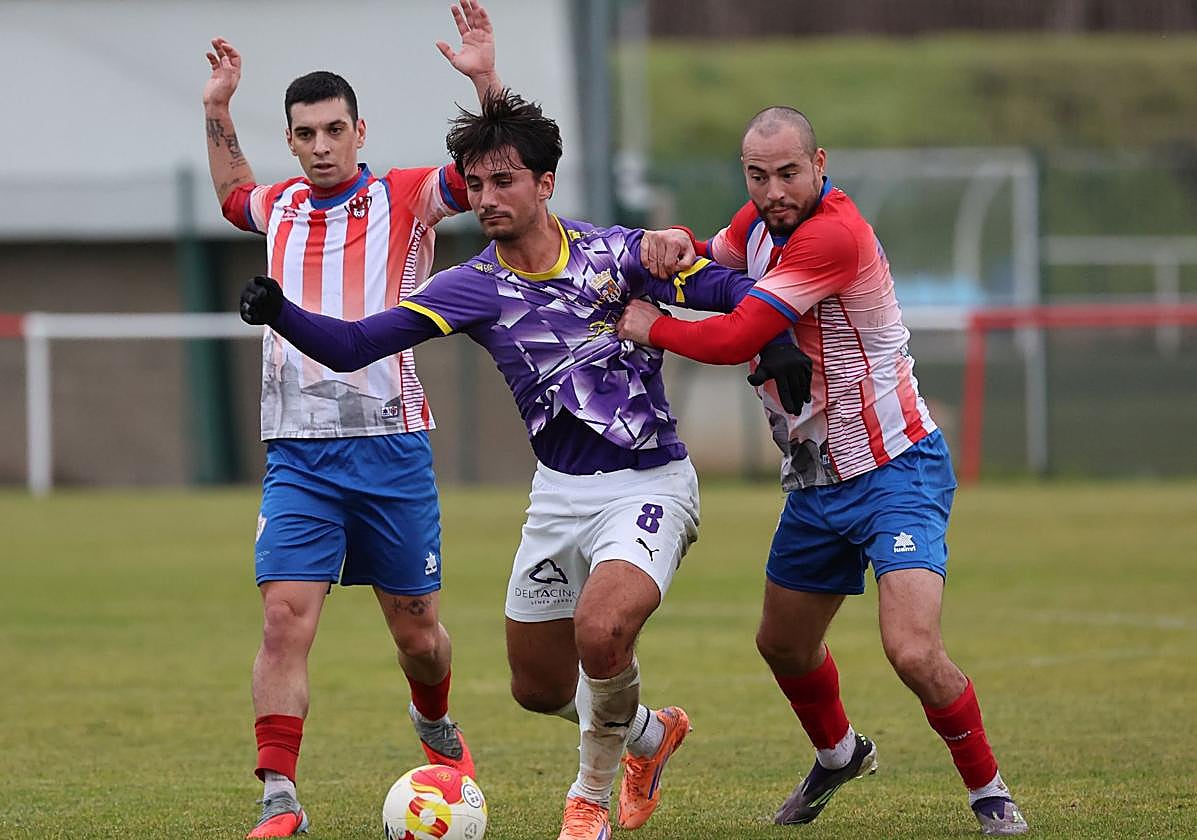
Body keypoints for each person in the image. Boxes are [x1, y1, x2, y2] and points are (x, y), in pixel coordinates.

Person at [238, 89, 811, 840]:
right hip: (557, 496)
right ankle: (649, 734)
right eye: (475, 184)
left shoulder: (618, 255)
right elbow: (354, 347)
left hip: (649, 483)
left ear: (545, 183)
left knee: (601, 629)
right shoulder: (468, 286)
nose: (485, 198)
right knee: (537, 688)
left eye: (503, 181)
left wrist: (775, 340)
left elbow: (726, 284)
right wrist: (281, 312)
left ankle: (587, 801)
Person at [617, 106, 1030, 837]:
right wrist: (675, 243)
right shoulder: (754, 224)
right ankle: (839, 754)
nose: (773, 190)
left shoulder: (833, 233)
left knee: (912, 650)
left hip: (895, 468)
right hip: (815, 481)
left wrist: (654, 326)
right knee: (781, 644)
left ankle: (989, 793)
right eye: (757, 175)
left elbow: (738, 334)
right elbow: (709, 266)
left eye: (788, 173)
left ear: (819, 164)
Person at [202, 4, 503, 836]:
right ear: (292, 141)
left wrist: (485, 79)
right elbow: (232, 195)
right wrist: (218, 106)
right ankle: (279, 797)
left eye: (335, 129)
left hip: (390, 448)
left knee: (419, 635)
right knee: (283, 618)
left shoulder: (405, 195)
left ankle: (435, 721)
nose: (322, 145)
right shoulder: (278, 206)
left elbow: (490, 164)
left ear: (358, 131)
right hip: (298, 455)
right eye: (306, 134)